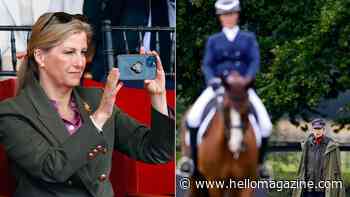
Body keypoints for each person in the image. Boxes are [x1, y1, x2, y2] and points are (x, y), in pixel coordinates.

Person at [0, 12, 174, 197]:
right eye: (69, 52)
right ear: (41, 57)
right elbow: (53, 168)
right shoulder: (11, 112)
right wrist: (99, 117)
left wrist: (158, 96)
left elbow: (157, 151)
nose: (80, 62)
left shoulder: (95, 99)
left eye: (82, 52)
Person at [179, 0, 272, 177]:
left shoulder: (248, 38)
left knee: (266, 124)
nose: (228, 18)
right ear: (220, 17)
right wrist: (212, 80)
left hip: (242, 89)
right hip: (218, 87)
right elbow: (207, 64)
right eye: (224, 15)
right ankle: (190, 160)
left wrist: (247, 79)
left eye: (231, 14)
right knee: (193, 118)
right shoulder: (214, 40)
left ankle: (260, 165)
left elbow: (254, 61)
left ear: (237, 15)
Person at [292, 119, 345, 197]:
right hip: (309, 185)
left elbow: (337, 167)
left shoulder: (331, 146)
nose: (317, 131)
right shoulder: (307, 144)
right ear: (312, 130)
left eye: (319, 129)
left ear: (323, 130)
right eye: (315, 129)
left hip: (323, 186)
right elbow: (303, 166)